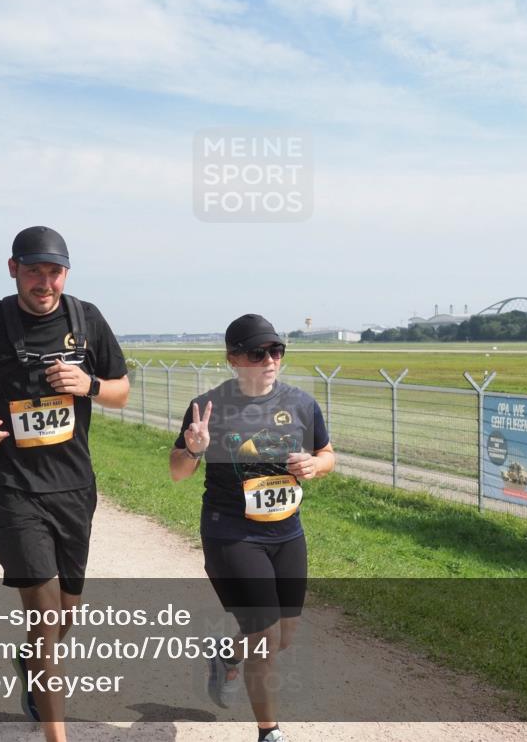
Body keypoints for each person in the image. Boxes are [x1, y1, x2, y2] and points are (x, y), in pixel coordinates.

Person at [0, 225, 129, 742]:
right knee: (45, 617)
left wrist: (90, 385)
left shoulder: (87, 320)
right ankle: (56, 736)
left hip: (73, 486)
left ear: (66, 272)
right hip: (11, 486)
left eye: (54, 271)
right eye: (34, 269)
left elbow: (122, 391)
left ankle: (28, 665)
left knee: (66, 612)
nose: (45, 281)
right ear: (13, 268)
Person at [169, 314, 335, 742]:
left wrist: (315, 465)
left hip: (287, 532)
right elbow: (177, 473)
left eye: (276, 350)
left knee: (283, 635)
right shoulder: (208, 407)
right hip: (232, 534)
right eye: (258, 352)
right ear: (233, 359)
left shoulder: (300, 404)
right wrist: (193, 448)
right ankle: (269, 732)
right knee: (264, 635)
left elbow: (327, 453)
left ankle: (227, 654)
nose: (270, 359)